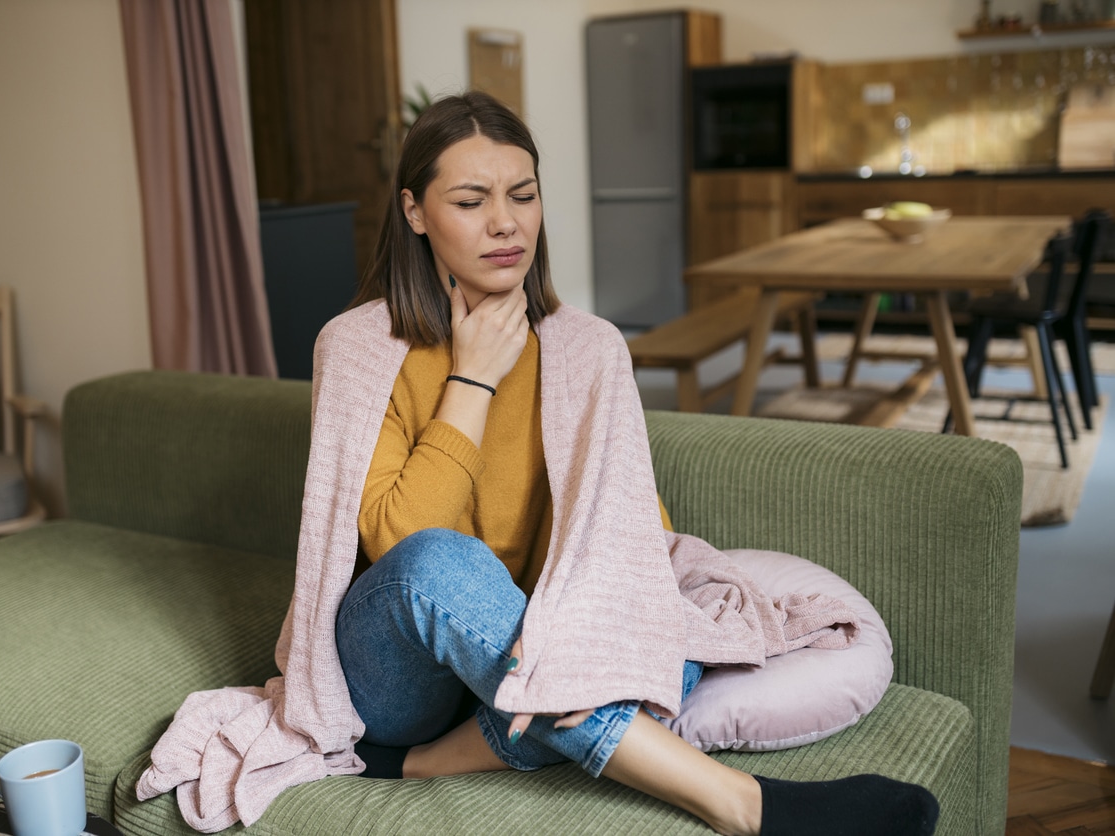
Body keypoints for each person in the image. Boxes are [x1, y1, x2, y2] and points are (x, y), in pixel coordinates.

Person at [324, 90, 940, 836]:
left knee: (665, 630)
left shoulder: (588, 347)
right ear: (416, 211)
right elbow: (399, 542)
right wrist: (474, 378)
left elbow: (629, 536)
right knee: (439, 561)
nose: (506, 223)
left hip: (517, 649)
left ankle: (420, 763)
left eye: (523, 195)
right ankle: (741, 803)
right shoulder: (358, 347)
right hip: (404, 667)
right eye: (470, 201)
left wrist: (593, 634)